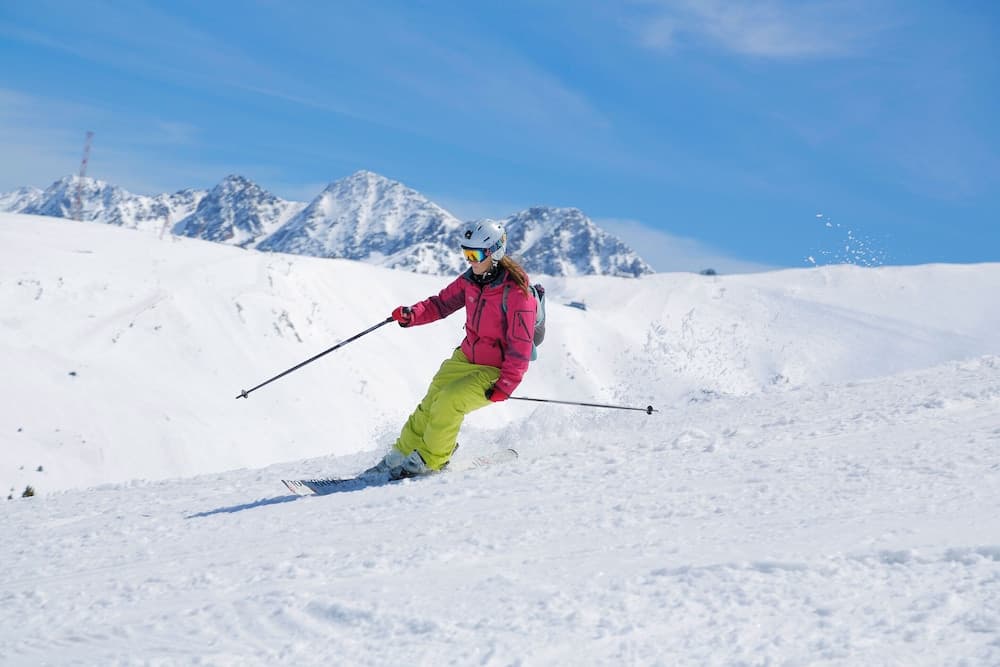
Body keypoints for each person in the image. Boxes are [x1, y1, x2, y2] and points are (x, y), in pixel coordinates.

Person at [366, 220, 537, 479]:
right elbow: (440, 304)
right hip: (465, 357)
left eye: (475, 255)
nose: (469, 261)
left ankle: (430, 460)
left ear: (494, 252)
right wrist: (412, 315)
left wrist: (507, 383)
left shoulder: (518, 293)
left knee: (449, 402)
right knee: (430, 402)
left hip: (495, 369)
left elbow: (521, 344)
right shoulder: (471, 280)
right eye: (466, 253)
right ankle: (400, 455)